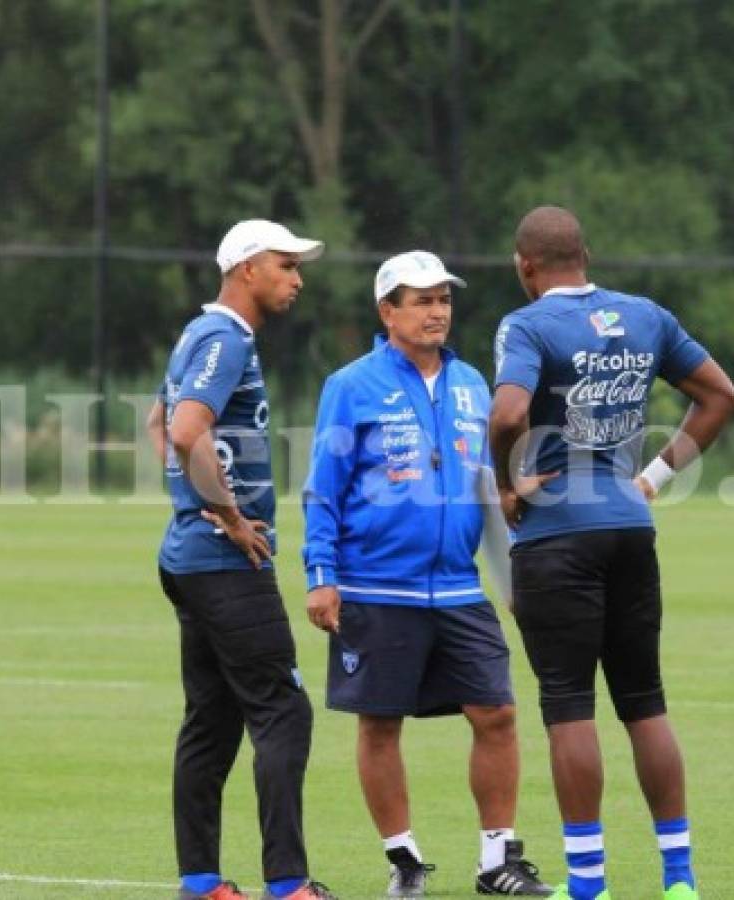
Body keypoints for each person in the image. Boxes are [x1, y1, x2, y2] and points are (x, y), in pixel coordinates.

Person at [488, 206, 734, 900]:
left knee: (569, 706)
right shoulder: (645, 316)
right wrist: (652, 479)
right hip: (630, 526)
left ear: (525, 266)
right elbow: (719, 396)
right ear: (586, 256)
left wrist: (509, 483)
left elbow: (509, 414)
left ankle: (588, 885)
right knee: (643, 702)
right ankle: (678, 879)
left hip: (555, 532)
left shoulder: (527, 324)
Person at [301, 251, 552, 898]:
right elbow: (322, 488)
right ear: (387, 312)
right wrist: (319, 572)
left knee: (495, 712)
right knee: (379, 723)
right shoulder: (350, 386)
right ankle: (403, 857)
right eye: (420, 300)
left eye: (442, 297)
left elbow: (485, 484)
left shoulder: (473, 381)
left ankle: (496, 859)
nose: (436, 310)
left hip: (459, 586)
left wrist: (513, 566)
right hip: (374, 585)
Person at [147, 219, 337, 900]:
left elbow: (158, 423)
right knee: (284, 711)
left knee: (213, 717)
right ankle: (287, 885)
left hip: (188, 559)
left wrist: (187, 495)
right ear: (248, 267)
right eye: (286, 265)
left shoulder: (201, 334)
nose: (296, 278)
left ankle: (201, 881)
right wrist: (226, 514)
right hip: (222, 564)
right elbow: (185, 429)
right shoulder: (224, 336)